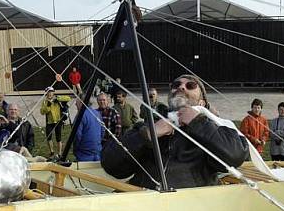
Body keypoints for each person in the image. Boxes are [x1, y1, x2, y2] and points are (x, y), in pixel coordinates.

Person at [101, 74, 249, 189]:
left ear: (202, 102)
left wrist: (198, 122)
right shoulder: (147, 126)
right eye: (176, 85)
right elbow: (111, 164)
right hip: (146, 209)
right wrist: (146, 135)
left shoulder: (213, 128)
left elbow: (235, 156)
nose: (181, 87)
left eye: (190, 85)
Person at [40, 87, 66, 158]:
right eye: (48, 92)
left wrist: (59, 99)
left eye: (51, 92)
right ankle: (52, 152)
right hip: (50, 122)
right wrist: (48, 106)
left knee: (59, 138)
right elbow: (42, 112)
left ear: (53, 92)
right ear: (46, 93)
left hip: (58, 121)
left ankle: (60, 153)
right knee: (49, 137)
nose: (49, 93)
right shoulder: (45, 101)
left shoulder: (57, 99)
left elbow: (68, 98)